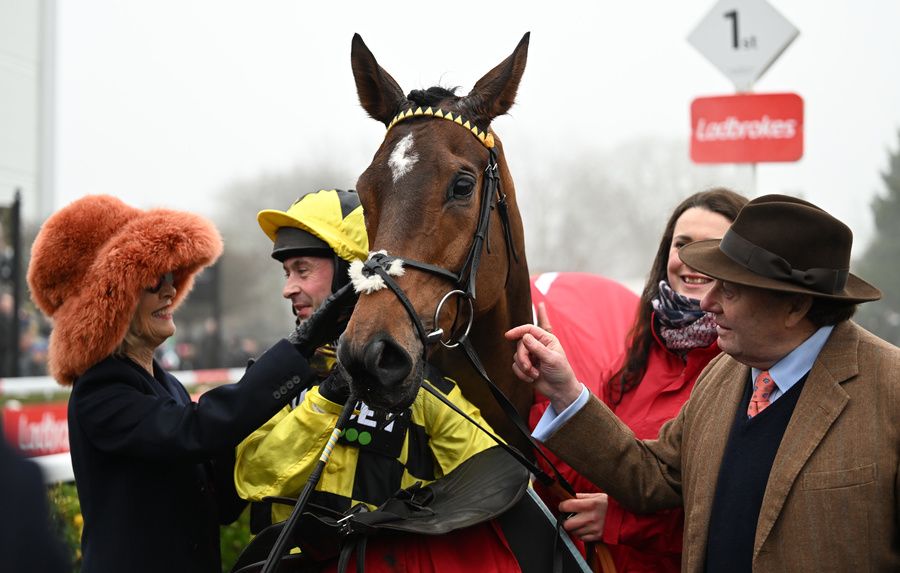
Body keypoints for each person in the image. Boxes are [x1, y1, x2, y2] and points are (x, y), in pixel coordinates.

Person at [507, 194, 899, 572]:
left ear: (795, 306)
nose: (708, 302)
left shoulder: (890, 390)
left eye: (728, 289)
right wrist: (565, 392)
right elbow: (653, 476)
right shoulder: (723, 374)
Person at [26, 194, 340, 573]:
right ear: (113, 300)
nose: (170, 290)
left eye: (173, 276)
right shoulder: (101, 389)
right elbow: (196, 430)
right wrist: (296, 353)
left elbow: (220, 501)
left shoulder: (166, 385)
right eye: (153, 280)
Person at [234, 189, 524, 572]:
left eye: (302, 270)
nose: (288, 288)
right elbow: (252, 478)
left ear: (349, 274)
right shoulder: (273, 381)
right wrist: (329, 397)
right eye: (286, 273)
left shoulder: (423, 390)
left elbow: (501, 482)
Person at [530, 189, 747, 572]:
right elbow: (589, 481)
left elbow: (744, 519)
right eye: (682, 244)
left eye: (712, 247)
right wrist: (545, 394)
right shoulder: (637, 356)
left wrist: (620, 522)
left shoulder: (747, 368)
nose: (691, 260)